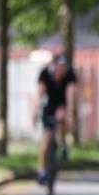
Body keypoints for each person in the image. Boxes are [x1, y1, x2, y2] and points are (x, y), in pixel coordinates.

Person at [32, 54, 76, 185]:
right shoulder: (45, 74)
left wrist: (70, 113)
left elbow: (70, 95)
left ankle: (63, 144)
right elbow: (40, 95)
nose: (61, 70)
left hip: (62, 104)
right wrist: (35, 112)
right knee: (45, 143)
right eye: (59, 66)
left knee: (62, 116)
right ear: (54, 65)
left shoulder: (69, 75)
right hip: (49, 106)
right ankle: (42, 171)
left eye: (64, 67)